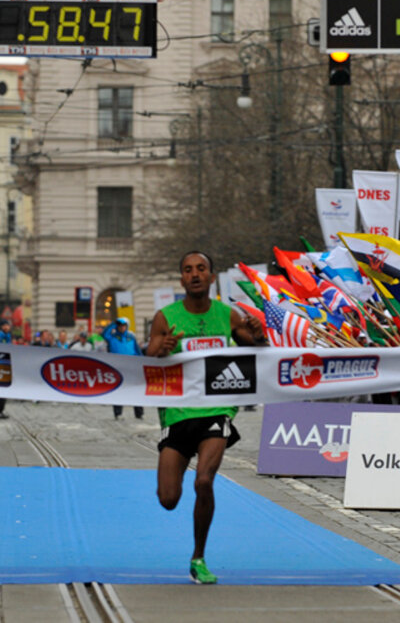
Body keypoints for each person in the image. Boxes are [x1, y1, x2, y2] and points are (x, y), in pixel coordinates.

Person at [145, 251, 265, 585]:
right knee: (168, 499)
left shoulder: (228, 315)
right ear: (181, 279)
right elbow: (149, 357)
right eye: (188, 270)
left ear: (211, 277)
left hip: (216, 410)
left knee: (203, 481)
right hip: (178, 412)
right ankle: (195, 548)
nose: (195, 274)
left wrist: (257, 330)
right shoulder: (165, 317)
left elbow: (257, 347)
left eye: (201, 269)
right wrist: (163, 347)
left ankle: (198, 557)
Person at [103, 317, 145, 419]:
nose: (122, 327)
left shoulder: (131, 337)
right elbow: (104, 333)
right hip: (118, 367)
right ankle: (118, 413)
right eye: (120, 325)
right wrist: (114, 323)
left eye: (124, 325)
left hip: (132, 366)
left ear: (126, 326)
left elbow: (138, 351)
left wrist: (143, 362)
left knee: (135, 390)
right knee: (118, 390)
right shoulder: (112, 337)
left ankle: (139, 413)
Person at [0, 320, 12, 419]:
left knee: (5, 389)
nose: (6, 327)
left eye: (7, 325)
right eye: (4, 325)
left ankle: (0, 410)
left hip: (6, 364)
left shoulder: (8, 336)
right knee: (1, 389)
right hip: (0, 365)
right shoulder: (0, 336)